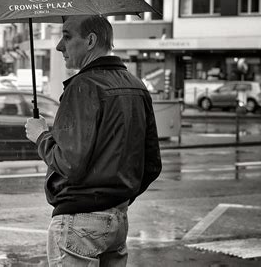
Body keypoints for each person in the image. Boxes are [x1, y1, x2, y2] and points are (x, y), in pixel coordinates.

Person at [25, 15, 162, 266]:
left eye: (67, 37)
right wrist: (118, 197)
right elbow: (152, 164)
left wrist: (41, 136)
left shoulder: (82, 86)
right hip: (118, 219)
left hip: (80, 222)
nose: (59, 46)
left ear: (90, 40)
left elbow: (69, 163)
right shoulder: (136, 85)